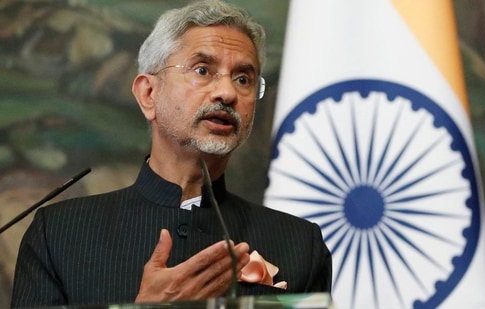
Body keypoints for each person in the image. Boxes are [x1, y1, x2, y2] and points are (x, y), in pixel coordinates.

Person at [10, 0, 332, 307]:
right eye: (203, 70)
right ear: (149, 94)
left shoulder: (300, 245)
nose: (227, 92)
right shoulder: (58, 236)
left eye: (243, 78)